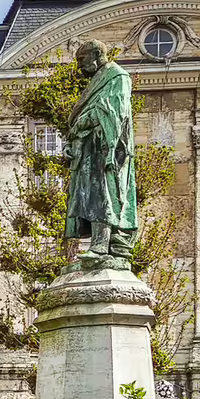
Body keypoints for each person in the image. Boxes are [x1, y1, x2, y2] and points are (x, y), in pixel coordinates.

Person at [63, 39, 138, 269]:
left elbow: (112, 110)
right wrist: (72, 139)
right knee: (92, 196)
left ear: (96, 54)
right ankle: (102, 246)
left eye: (82, 59)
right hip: (90, 149)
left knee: (103, 195)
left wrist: (81, 124)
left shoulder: (117, 77)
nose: (80, 66)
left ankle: (101, 246)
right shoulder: (99, 79)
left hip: (108, 149)